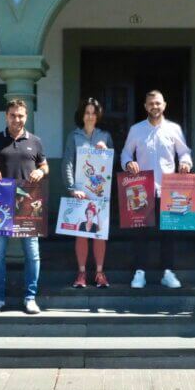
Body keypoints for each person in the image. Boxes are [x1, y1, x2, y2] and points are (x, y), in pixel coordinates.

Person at [0, 99, 49, 315]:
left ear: (26, 117)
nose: (17, 119)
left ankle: (30, 297)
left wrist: (41, 171)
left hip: (27, 203)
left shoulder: (35, 141)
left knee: (32, 253)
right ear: (6, 116)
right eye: (12, 115)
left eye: (20, 115)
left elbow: (44, 165)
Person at [121, 90, 193, 288]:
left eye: (158, 103)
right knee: (140, 233)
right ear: (145, 106)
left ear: (164, 105)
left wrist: (186, 163)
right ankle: (139, 272)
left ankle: (168, 272)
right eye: (151, 103)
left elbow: (185, 152)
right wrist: (129, 164)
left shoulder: (174, 128)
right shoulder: (136, 130)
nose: (155, 106)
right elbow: (126, 153)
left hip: (169, 188)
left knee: (169, 233)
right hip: (141, 188)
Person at [61, 98, 114, 288]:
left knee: (99, 233)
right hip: (80, 192)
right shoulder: (73, 136)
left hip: (100, 193)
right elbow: (67, 163)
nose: (90, 116)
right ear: (81, 115)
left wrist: (106, 150)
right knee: (82, 233)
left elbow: (111, 164)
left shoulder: (105, 136)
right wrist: (72, 188)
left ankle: (100, 273)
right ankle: (81, 273)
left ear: (98, 115)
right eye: (87, 112)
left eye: (93, 113)